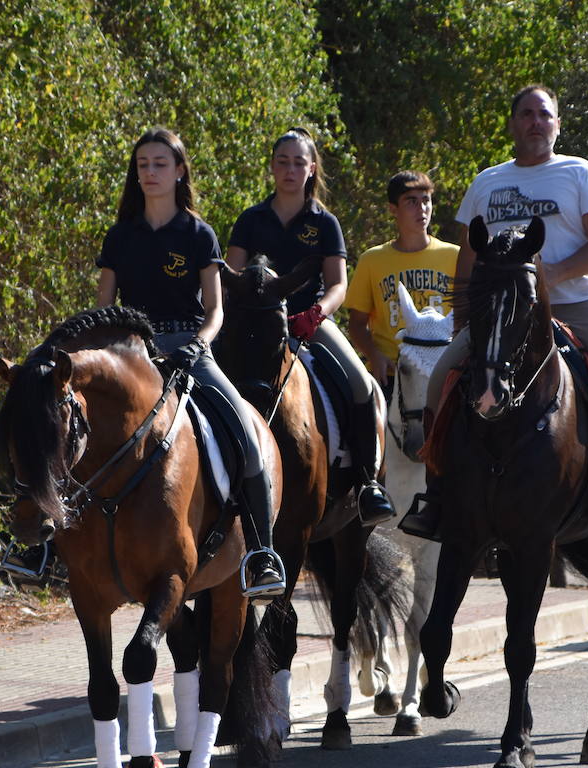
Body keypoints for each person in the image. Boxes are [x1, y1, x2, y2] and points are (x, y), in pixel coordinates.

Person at [399, 85, 588, 540]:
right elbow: (468, 257)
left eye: (545, 114)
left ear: (557, 124)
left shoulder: (581, 173)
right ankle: (435, 495)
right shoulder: (487, 182)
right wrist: (463, 322)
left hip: (577, 303)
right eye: (527, 114)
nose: (536, 122)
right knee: (441, 378)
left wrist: (549, 277)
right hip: (500, 312)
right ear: (514, 123)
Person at [96, 127, 286, 597]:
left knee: (244, 429)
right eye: (143, 165)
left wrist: (199, 342)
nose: (150, 172)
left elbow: (217, 309)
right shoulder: (120, 236)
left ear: (179, 171)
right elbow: (102, 309)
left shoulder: (199, 233)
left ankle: (261, 553)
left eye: (160, 164)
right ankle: (46, 548)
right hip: (131, 351)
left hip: (189, 346)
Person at [226, 127, 396, 524]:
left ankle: (366, 482)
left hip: (309, 322)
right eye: (282, 162)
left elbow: (339, 284)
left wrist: (316, 313)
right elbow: (232, 274)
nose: (290, 169)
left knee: (359, 383)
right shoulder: (251, 219)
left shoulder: (325, 222)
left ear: (311, 168)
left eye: (298, 163)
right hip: (256, 325)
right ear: (271, 167)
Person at [345, 170, 459, 388]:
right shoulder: (372, 260)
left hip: (442, 371)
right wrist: (374, 355)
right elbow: (357, 325)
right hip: (391, 373)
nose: (422, 209)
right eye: (411, 202)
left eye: (426, 200)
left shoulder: (454, 256)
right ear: (393, 209)